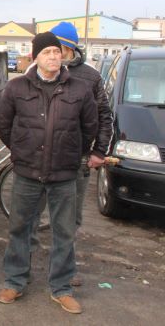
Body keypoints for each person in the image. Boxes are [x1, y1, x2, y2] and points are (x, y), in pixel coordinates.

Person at [0, 31, 99, 315]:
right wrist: (22, 149)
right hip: (27, 172)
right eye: (46, 53)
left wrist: (74, 152)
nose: (53, 56)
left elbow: (90, 126)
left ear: (62, 55)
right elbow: (4, 126)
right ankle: (15, 281)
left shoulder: (79, 89)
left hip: (65, 174)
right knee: (20, 228)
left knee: (64, 232)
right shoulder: (17, 88)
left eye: (56, 51)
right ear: (35, 57)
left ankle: (61, 287)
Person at [48, 21, 113, 286]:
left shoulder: (90, 77)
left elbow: (104, 116)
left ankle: (63, 270)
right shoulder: (40, 72)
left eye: (56, 47)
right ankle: (23, 267)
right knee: (27, 217)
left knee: (70, 219)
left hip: (77, 160)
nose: (51, 54)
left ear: (67, 48)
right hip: (41, 159)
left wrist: (98, 151)